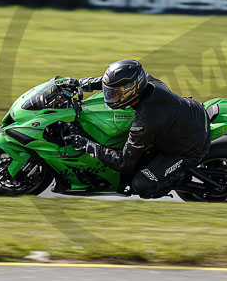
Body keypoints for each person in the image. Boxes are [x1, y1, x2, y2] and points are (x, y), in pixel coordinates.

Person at [64, 60, 210, 198]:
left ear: (131, 91)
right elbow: (113, 81)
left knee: (141, 184)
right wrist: (82, 84)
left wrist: (88, 145)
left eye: (115, 93)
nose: (110, 95)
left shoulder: (144, 122)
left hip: (191, 147)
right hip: (192, 112)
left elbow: (124, 163)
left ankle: (178, 176)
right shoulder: (147, 81)